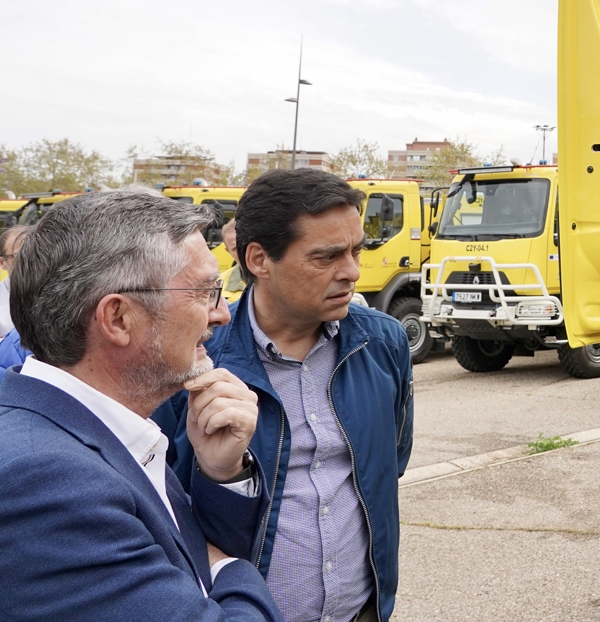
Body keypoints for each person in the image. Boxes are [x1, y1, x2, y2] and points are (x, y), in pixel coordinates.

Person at [0, 189, 282, 621]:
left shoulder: (91, 427)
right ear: (118, 318)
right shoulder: (50, 481)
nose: (222, 313)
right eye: (206, 292)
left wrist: (220, 474)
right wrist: (228, 567)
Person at [159, 168, 414, 622]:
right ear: (258, 259)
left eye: (356, 250)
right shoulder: (193, 362)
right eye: (327, 257)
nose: (352, 271)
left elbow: (390, 460)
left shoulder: (383, 343)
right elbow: (164, 510)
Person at [0, 223, 34, 336]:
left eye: (34, 254)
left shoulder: (59, 292)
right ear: (2, 263)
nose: (28, 261)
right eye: (19, 256)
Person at [221, 218, 247, 303]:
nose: (242, 252)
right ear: (228, 251)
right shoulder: (218, 285)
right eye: (235, 248)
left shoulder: (280, 277)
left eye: (245, 245)